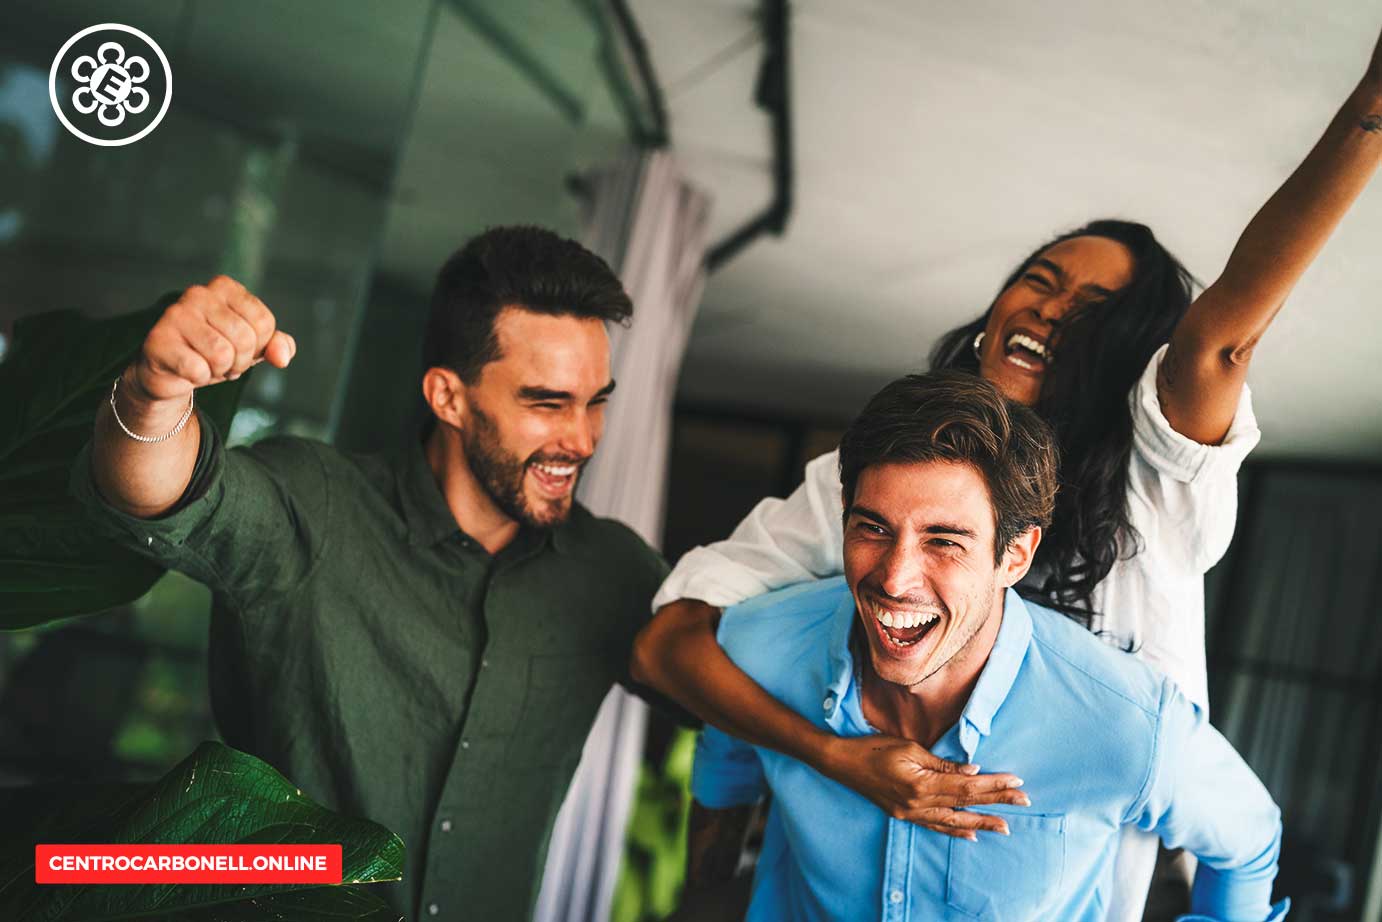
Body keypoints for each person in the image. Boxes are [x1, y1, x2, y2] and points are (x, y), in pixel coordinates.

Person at [634, 24, 1382, 920]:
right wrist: (823, 761)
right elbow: (689, 648)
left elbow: (1222, 335)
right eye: (1040, 278)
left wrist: (1370, 110)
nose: (1051, 308)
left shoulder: (1155, 496)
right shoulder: (863, 486)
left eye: (1094, 310)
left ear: (1018, 549)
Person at [71, 226, 669, 921]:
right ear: (448, 397)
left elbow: (729, 672)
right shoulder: (321, 506)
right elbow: (164, 491)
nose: (585, 438)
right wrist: (155, 395)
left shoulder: (613, 571)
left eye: (597, 400)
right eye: (548, 403)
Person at [686, 372, 1288, 922]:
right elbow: (724, 772)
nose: (895, 578)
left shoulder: (1125, 721)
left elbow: (1250, 843)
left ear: (1015, 554)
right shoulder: (758, 646)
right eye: (873, 528)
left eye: (944, 541)